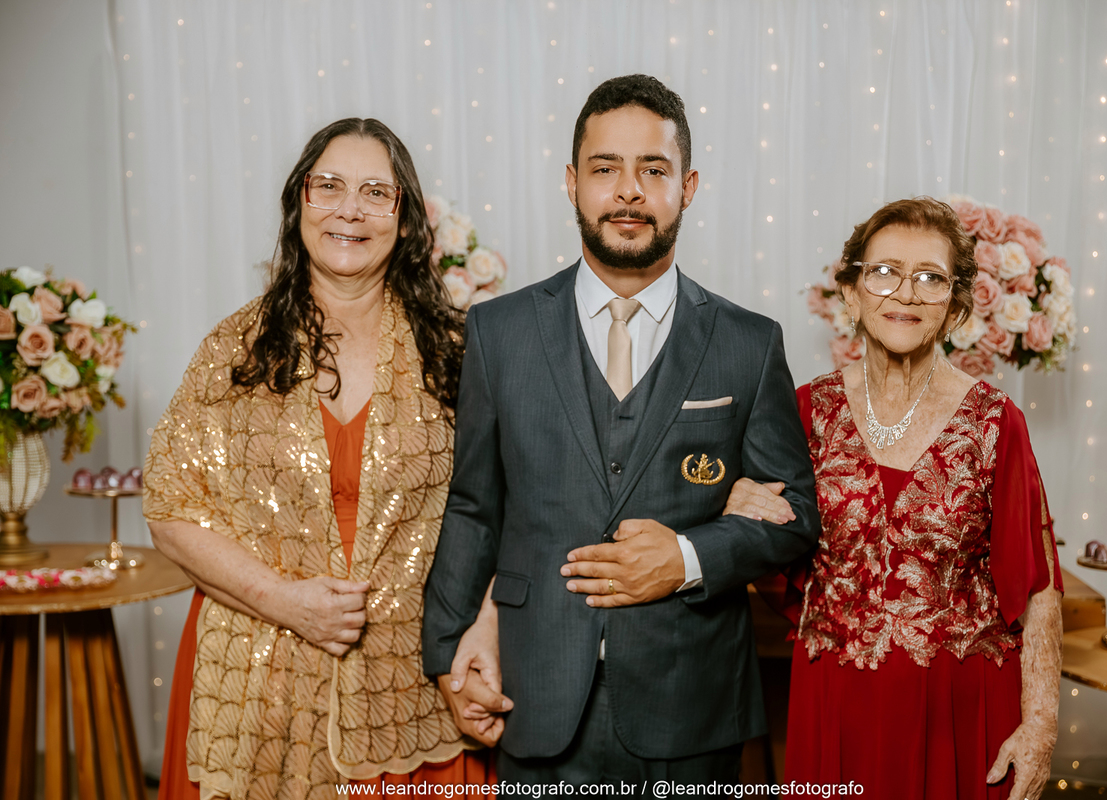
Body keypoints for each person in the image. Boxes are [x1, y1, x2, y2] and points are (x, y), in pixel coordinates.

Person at [421, 74, 821, 786]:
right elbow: (474, 507)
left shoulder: (749, 343)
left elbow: (794, 517)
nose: (629, 191)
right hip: (533, 696)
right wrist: (449, 651)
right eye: (606, 169)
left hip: (692, 705)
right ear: (572, 182)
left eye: (653, 170)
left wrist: (688, 556)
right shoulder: (498, 333)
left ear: (688, 187)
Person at [144, 118, 506, 799]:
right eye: (330, 186)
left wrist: (488, 629)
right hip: (256, 685)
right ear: (300, 202)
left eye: (376, 192)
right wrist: (285, 601)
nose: (350, 209)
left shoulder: (461, 353)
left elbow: (517, 509)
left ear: (406, 219)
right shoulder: (233, 350)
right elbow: (169, 509)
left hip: (417, 691)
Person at [726, 197, 1063, 800]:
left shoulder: (996, 423)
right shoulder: (804, 411)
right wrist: (739, 504)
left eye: (930, 278)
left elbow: (1039, 585)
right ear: (851, 294)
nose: (905, 293)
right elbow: (767, 540)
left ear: (955, 307)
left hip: (960, 712)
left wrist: (1040, 727)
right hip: (835, 698)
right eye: (883, 272)